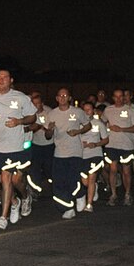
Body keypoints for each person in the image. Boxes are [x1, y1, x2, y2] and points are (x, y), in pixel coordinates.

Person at [0, 69, 36, 230]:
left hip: (15, 145)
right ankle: (15, 201)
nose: (1, 79)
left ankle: (4, 215)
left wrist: (20, 121)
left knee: (10, 180)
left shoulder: (20, 97)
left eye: (5, 77)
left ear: (11, 80)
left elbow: (32, 116)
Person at [44, 88, 91, 218]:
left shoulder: (78, 112)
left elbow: (88, 125)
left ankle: (80, 193)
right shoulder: (52, 114)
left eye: (65, 95)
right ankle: (67, 207)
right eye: (60, 96)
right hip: (59, 153)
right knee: (58, 183)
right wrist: (50, 129)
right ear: (57, 98)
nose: (63, 97)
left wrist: (78, 131)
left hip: (75, 151)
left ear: (70, 98)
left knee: (72, 180)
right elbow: (48, 135)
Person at [101, 89, 134, 206]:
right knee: (112, 169)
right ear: (113, 98)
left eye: (121, 97)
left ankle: (127, 194)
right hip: (111, 144)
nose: (118, 99)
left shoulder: (130, 110)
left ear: (124, 98)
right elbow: (102, 121)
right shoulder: (108, 110)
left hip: (126, 145)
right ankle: (113, 194)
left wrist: (122, 129)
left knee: (126, 171)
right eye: (116, 97)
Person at [79, 101, 109, 212]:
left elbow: (106, 139)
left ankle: (89, 204)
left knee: (91, 178)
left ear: (93, 111)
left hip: (95, 154)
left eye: (89, 109)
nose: (87, 112)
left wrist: (95, 144)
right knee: (85, 181)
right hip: (82, 154)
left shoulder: (98, 123)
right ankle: (94, 187)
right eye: (85, 109)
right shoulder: (79, 124)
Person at [27, 91, 53, 199]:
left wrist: (47, 129)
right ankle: (35, 191)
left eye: (38, 103)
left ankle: (54, 190)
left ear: (42, 103)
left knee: (49, 169)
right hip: (35, 145)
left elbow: (49, 134)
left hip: (48, 145)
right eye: (34, 104)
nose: (36, 106)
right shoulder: (30, 115)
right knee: (34, 169)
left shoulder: (49, 113)